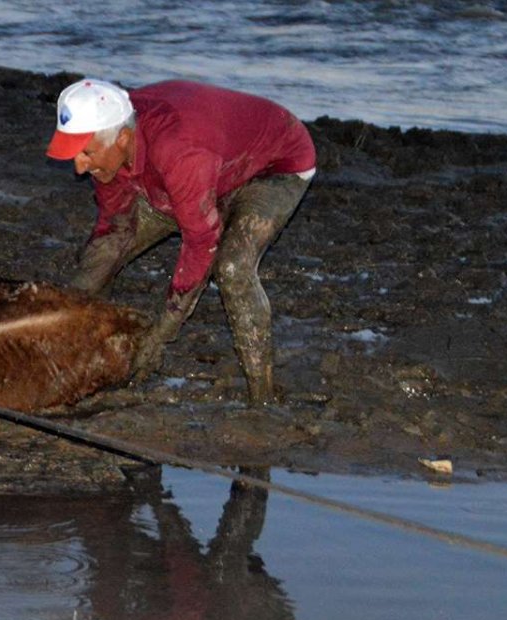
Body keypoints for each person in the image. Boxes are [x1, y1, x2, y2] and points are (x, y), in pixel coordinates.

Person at [46, 78, 315, 404]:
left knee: (232, 267)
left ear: (123, 138)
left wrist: (159, 336)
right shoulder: (115, 144)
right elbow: (113, 227)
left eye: (86, 153)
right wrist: (71, 304)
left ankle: (263, 397)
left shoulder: (179, 149)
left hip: (273, 165)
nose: (78, 166)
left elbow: (202, 243)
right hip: (203, 170)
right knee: (103, 255)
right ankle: (72, 350)